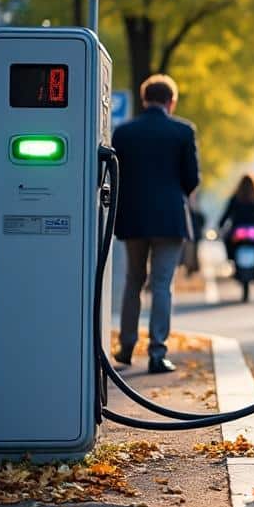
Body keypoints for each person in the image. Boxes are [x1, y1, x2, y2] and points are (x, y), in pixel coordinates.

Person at [112, 74, 200, 373]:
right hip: (169, 219)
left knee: (133, 281)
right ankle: (157, 353)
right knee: (162, 284)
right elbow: (192, 179)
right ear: (170, 102)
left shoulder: (123, 133)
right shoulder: (183, 132)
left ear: (143, 98)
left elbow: (115, 174)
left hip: (133, 216)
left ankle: (125, 348)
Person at [219, 173, 254, 266]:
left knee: (227, 239)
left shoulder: (235, 199)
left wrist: (221, 226)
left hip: (238, 229)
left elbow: (226, 215)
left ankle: (231, 258)